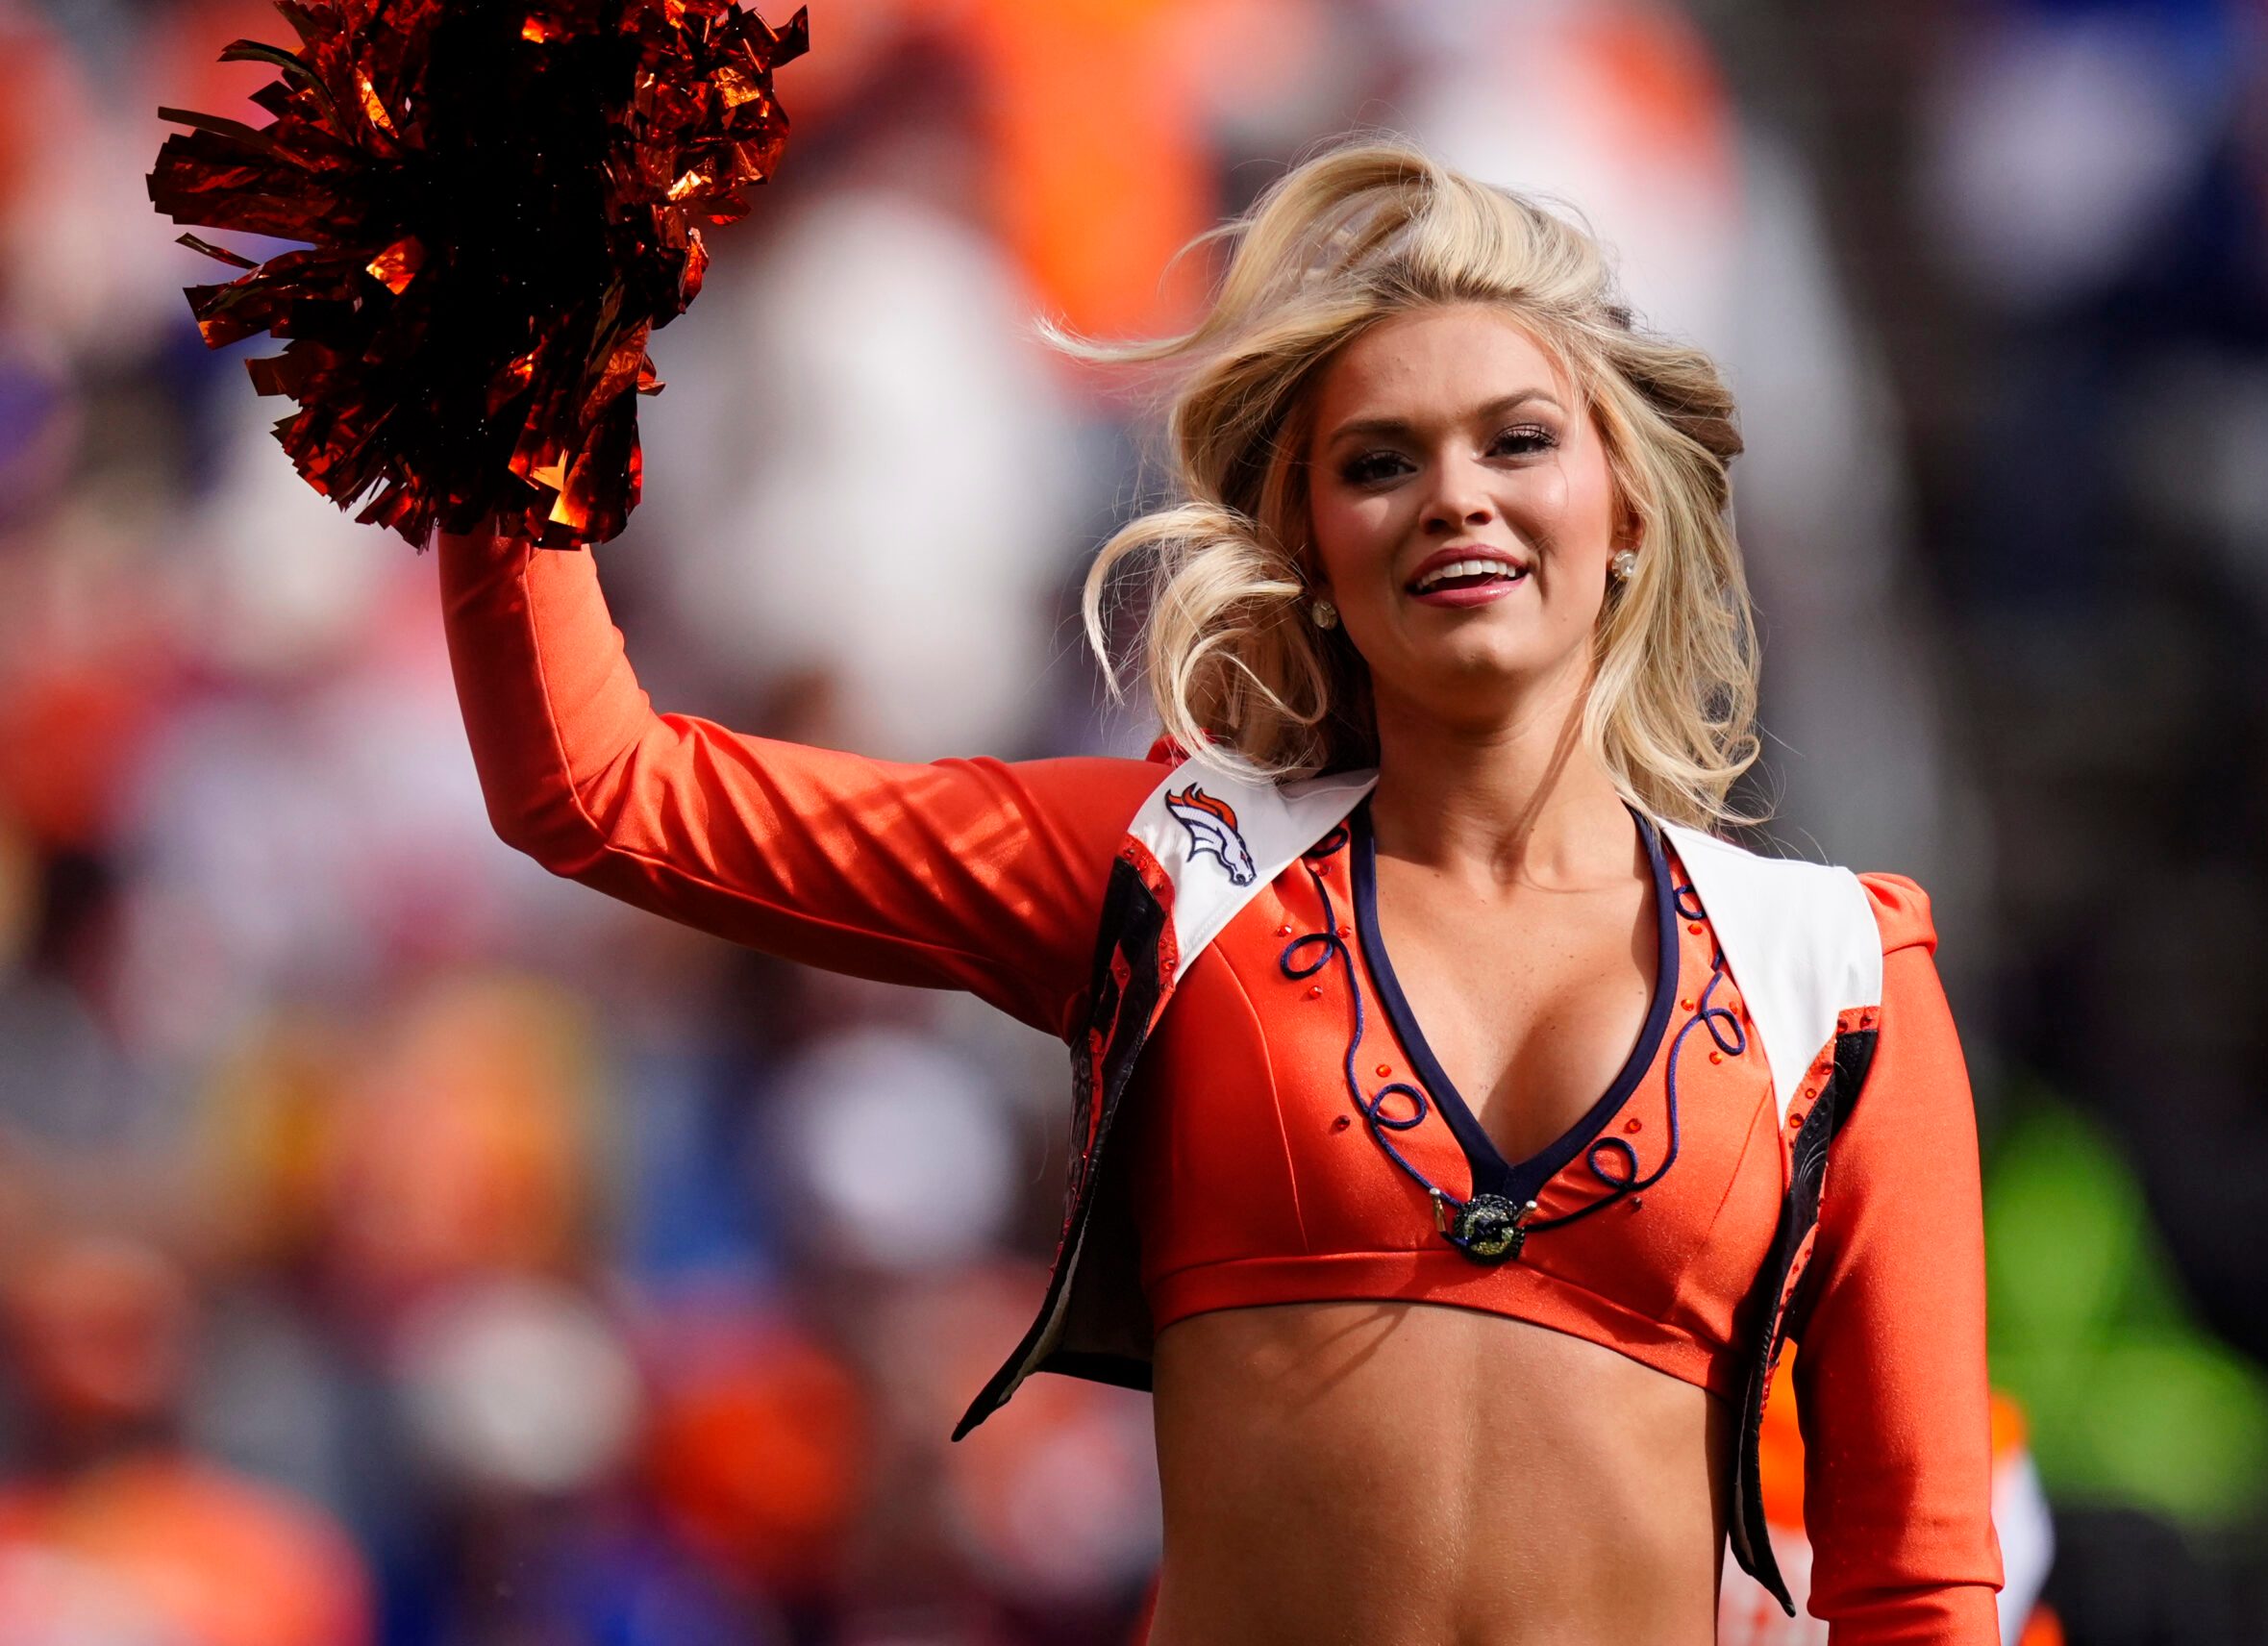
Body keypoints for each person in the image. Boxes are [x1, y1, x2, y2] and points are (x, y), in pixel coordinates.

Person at [436, 138, 2002, 1644]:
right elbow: (597, 788)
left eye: (1520, 440)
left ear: (1629, 507)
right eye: (1380, 464)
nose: (1457, 496)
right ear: (1312, 548)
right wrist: (509, 341)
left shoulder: (1840, 970)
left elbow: (1919, 1578)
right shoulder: (1175, 874)